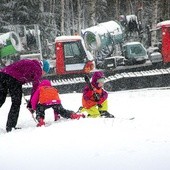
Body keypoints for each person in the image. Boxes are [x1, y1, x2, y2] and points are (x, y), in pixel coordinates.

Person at [0, 59, 50, 132]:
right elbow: (35, 89)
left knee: (1, 99)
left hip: (2, 74)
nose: (42, 75)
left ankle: (10, 126)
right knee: (16, 103)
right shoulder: (38, 69)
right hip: (13, 79)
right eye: (44, 72)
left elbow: (18, 70)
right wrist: (31, 105)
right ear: (43, 68)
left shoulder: (31, 63)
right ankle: (10, 126)